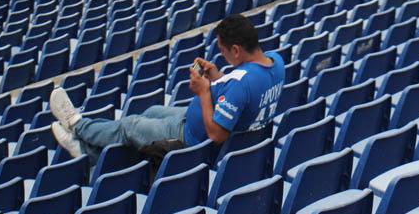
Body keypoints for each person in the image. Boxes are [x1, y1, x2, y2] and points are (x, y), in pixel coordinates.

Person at [48, 13, 285, 163]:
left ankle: (77, 125)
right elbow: (243, 95)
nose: (222, 55)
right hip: (194, 120)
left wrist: (203, 92)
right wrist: (216, 77)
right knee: (151, 112)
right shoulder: (275, 62)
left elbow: (217, 134)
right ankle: (88, 152)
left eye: (223, 51)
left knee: (131, 126)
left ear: (236, 50)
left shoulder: (241, 84)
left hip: (192, 138)